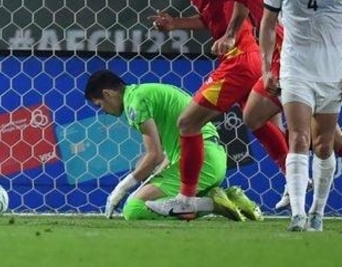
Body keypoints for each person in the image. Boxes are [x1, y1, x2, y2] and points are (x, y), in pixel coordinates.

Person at [126, 0, 289, 216]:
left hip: (241, 57)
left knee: (187, 123)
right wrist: (176, 24)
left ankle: (187, 199)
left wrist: (232, 34)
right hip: (247, 56)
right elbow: (215, 12)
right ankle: (293, 176)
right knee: (257, 121)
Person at [260, 0, 342, 232]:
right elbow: (268, 24)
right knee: (298, 137)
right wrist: (266, 68)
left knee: (323, 144)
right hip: (295, 66)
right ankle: (297, 213)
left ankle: (317, 212)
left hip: (333, 68)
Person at [84, 69, 259, 221]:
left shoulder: (134, 103)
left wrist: (121, 188)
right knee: (149, 198)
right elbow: (166, 155)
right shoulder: (144, 92)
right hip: (214, 158)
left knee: (133, 208)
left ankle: (211, 204)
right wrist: (152, 178)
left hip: (201, 162)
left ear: (108, 94)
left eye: (100, 105)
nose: (103, 111)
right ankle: (232, 197)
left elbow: (154, 156)